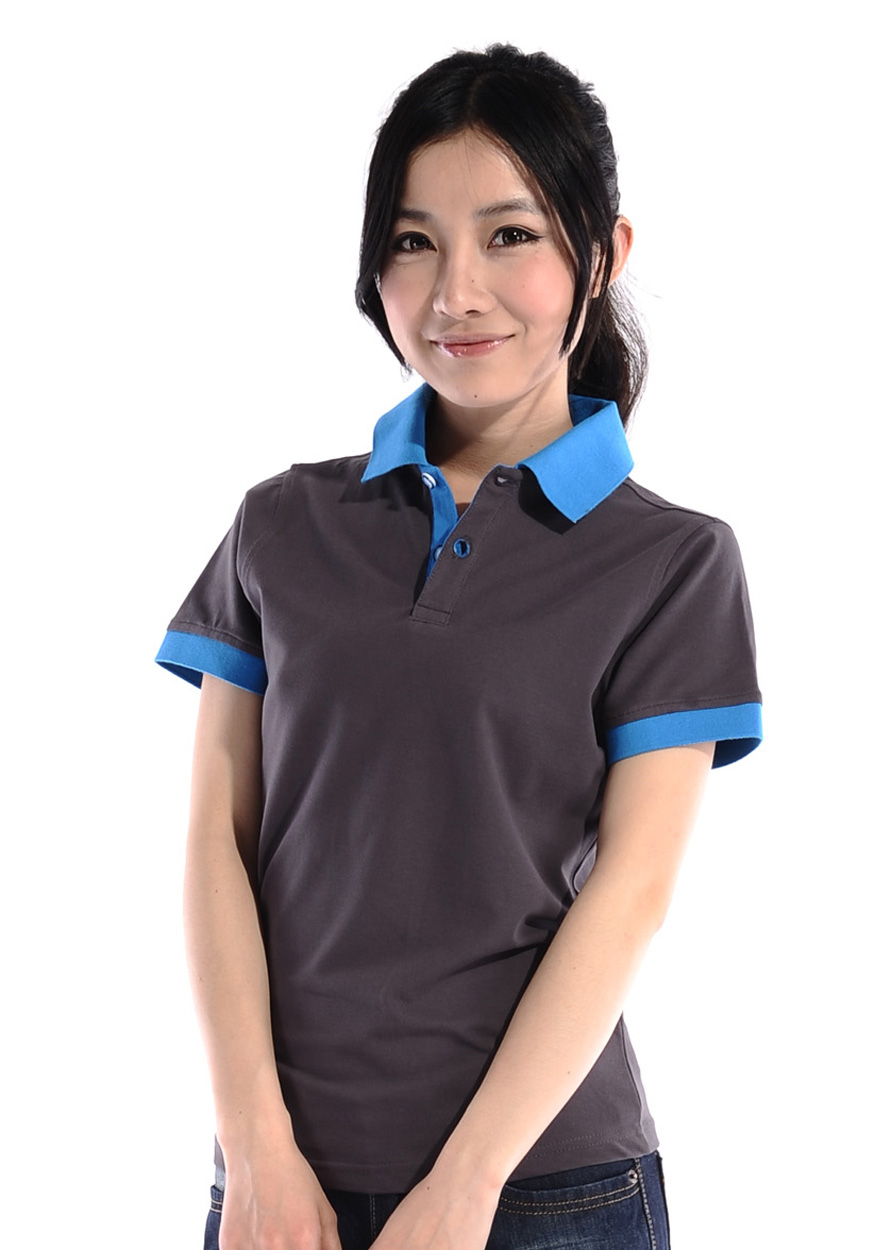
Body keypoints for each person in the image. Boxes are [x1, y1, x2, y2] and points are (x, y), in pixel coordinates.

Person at [157, 44, 762, 1250]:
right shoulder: (282, 523)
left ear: (603, 254)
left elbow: (631, 894)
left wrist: (464, 1185)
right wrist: (255, 1145)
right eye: (411, 241)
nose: (453, 295)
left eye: (508, 236)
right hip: (280, 1185)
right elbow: (215, 839)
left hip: (544, 1192)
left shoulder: (671, 561)